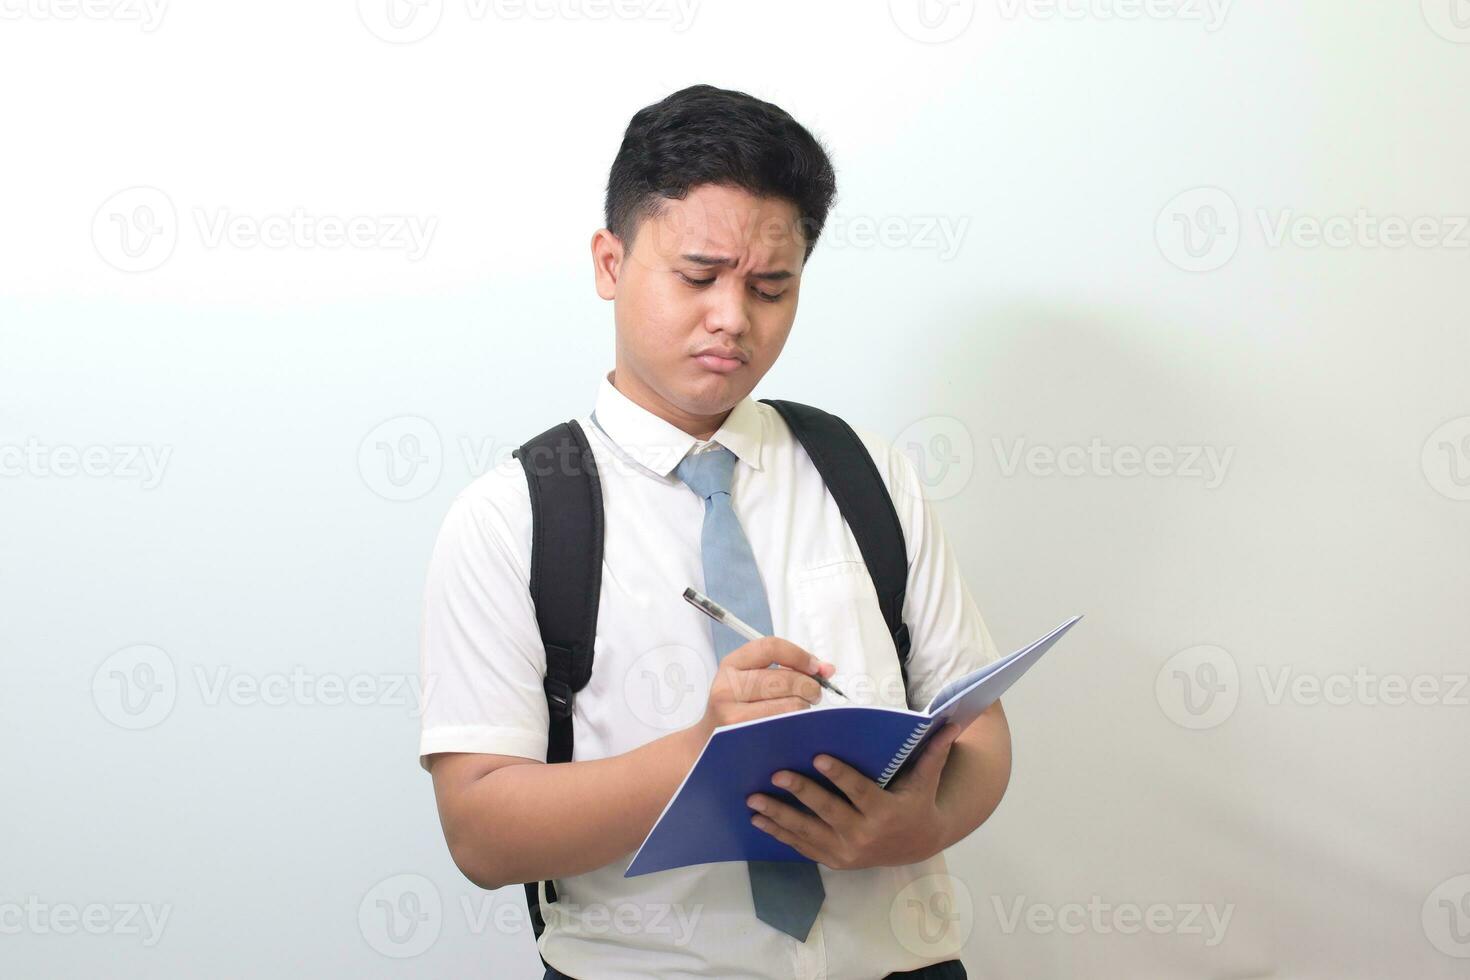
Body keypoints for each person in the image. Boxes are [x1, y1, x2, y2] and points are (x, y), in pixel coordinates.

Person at [418, 83, 1011, 980]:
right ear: (609, 262)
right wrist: (702, 754)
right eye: (698, 277)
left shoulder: (866, 473)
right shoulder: (513, 517)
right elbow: (481, 832)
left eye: (772, 286)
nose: (734, 317)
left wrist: (918, 825)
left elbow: (979, 732)